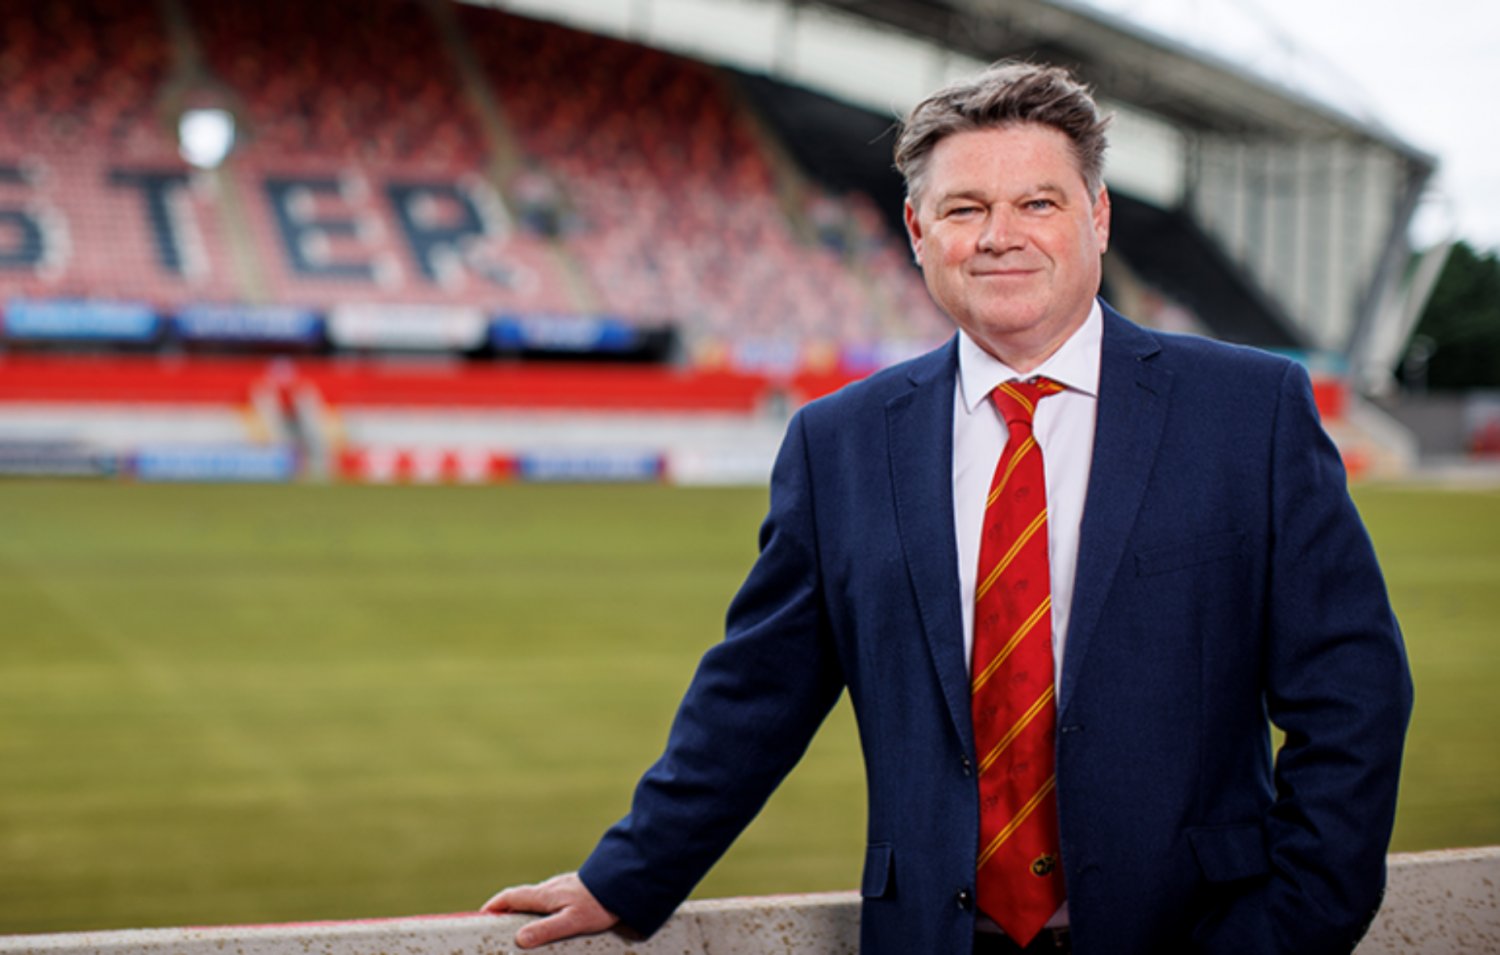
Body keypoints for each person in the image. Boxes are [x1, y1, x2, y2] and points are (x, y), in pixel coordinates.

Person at [482, 61, 1413, 955]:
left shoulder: (1247, 412)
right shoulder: (839, 444)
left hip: (1195, 933)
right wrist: (629, 874)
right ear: (918, 231)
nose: (1000, 235)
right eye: (965, 208)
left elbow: (1353, 691)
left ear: (1097, 217)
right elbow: (757, 692)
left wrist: (1287, 930)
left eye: (1038, 203)